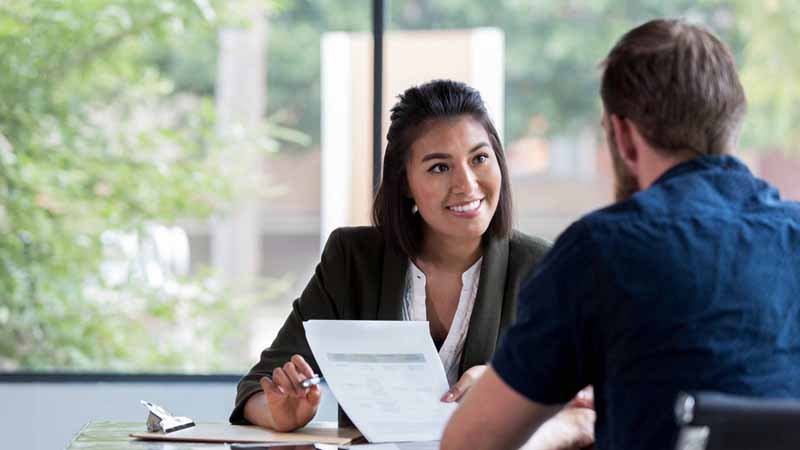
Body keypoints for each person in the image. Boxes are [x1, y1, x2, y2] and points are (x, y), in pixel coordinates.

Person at [442, 19, 800, 450]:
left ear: (624, 136)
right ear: (733, 122)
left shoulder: (603, 249)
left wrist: (565, 422)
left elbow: (471, 442)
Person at [230, 80, 591, 439]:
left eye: (479, 158)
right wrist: (279, 413)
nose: (467, 184)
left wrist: (507, 388)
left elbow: (591, 400)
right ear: (405, 183)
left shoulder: (542, 268)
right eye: (439, 167)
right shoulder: (353, 260)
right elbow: (254, 389)